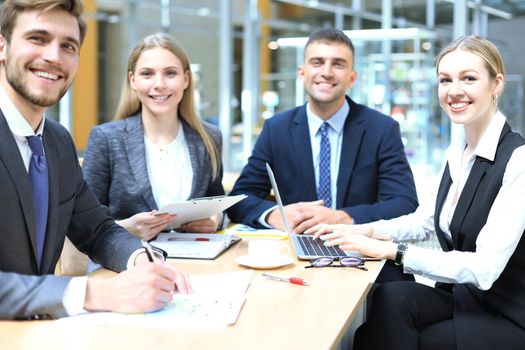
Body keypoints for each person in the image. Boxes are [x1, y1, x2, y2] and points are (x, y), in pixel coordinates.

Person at [310, 35, 525, 350]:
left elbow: (485, 268)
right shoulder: (459, 151)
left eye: (469, 78)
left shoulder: (518, 160)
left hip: (506, 312)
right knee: (387, 298)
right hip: (465, 297)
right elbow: (424, 223)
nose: (454, 90)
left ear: (496, 84)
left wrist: (391, 251)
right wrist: (357, 231)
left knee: (396, 339)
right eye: (445, 80)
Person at [0, 0, 190, 320]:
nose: (53, 56)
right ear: (2, 46)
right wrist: (91, 292)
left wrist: (143, 260)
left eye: (68, 46)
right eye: (37, 38)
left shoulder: (57, 141)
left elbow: (97, 230)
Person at [227, 28, 418, 235]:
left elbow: (404, 203)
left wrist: (343, 217)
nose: (326, 72)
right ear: (302, 73)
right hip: (294, 249)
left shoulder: (381, 129)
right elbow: (240, 197)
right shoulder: (277, 128)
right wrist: (277, 215)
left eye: (338, 64)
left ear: (352, 78)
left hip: (359, 249)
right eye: (317, 62)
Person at [82, 33, 224, 241]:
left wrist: (215, 218)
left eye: (170, 73)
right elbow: (85, 222)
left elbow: (217, 202)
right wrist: (125, 228)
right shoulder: (106, 138)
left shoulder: (209, 137)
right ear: (133, 80)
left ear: (186, 79)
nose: (159, 84)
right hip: (128, 262)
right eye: (147, 74)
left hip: (198, 259)